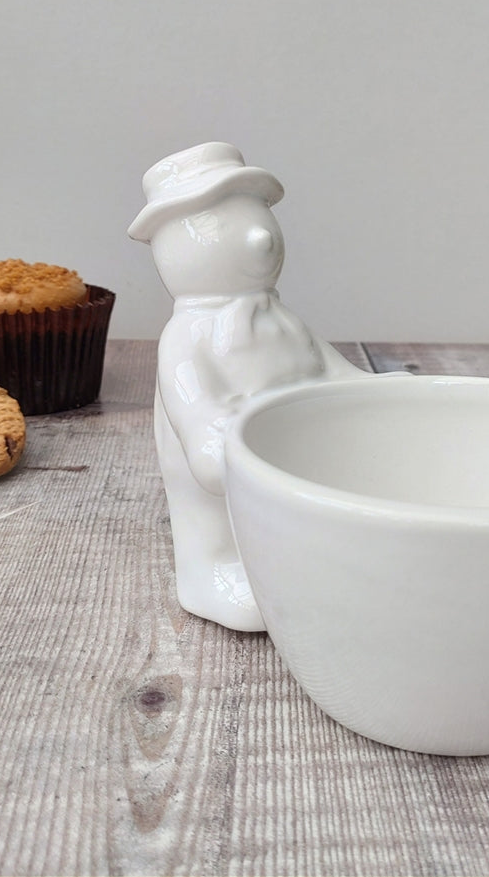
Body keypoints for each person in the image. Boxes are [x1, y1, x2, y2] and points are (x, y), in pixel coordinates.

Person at [129, 142, 360, 630]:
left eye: (257, 218)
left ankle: (293, 567)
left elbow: (334, 369)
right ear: (172, 243)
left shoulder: (282, 319)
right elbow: (192, 405)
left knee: (295, 517)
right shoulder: (187, 337)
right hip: (231, 461)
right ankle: (212, 574)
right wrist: (208, 435)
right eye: (225, 224)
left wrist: (365, 390)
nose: (259, 237)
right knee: (218, 518)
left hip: (293, 451)